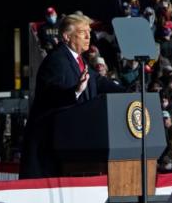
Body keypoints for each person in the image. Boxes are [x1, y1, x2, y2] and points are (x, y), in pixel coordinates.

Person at [22, 13, 125, 178]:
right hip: (49, 151)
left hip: (73, 145)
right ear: (66, 36)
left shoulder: (80, 60)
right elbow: (50, 95)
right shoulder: (56, 60)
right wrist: (75, 91)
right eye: (83, 32)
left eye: (89, 32)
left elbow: (98, 81)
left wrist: (129, 93)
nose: (88, 36)